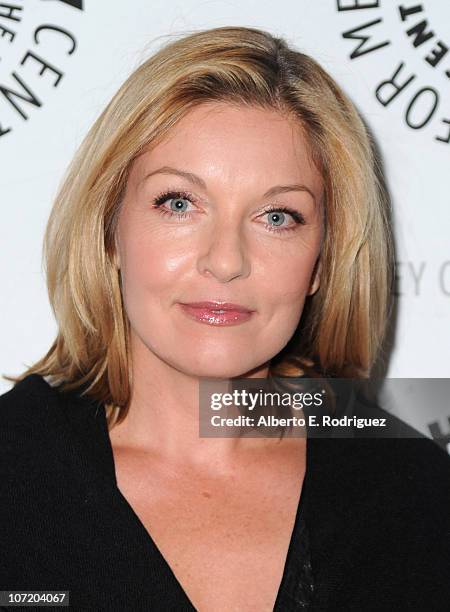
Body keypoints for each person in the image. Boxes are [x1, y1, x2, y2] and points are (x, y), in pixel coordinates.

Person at [1, 25, 449, 612]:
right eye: (180, 203)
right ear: (110, 230)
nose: (227, 261)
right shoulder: (13, 472)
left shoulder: (413, 495)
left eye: (278, 216)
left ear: (322, 262)